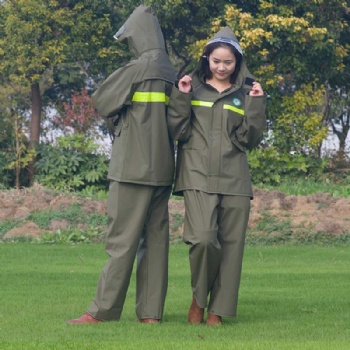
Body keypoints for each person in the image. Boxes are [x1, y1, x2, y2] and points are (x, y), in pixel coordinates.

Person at [67, 5, 177, 324]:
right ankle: (151, 314)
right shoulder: (170, 71)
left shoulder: (137, 68)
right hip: (161, 171)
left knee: (121, 241)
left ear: (137, 37)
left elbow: (102, 101)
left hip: (131, 169)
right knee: (155, 244)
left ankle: (102, 312)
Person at [167, 27, 266, 325]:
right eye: (216, 61)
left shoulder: (247, 93)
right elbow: (177, 131)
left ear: (238, 63)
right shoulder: (191, 89)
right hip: (196, 174)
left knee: (232, 247)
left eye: (228, 63)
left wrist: (257, 103)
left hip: (234, 178)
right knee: (203, 240)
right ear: (206, 59)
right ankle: (198, 299)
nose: (222, 68)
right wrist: (181, 97)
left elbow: (250, 139)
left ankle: (217, 310)